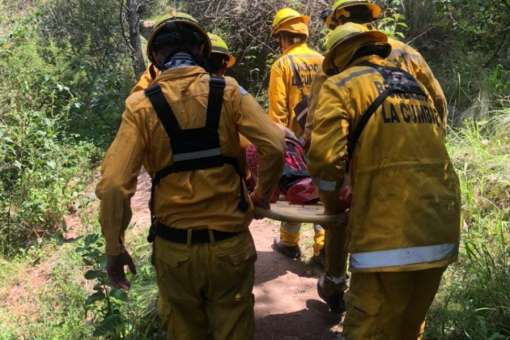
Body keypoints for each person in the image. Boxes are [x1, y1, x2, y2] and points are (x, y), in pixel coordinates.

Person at [96, 13, 284, 339]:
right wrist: (261, 196)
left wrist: (114, 248)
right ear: (201, 51)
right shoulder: (229, 91)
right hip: (230, 246)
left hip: (175, 250)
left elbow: (113, 186)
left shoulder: (140, 106)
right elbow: (275, 146)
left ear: (156, 57)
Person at [307, 23, 461, 339]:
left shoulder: (340, 85)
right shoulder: (413, 85)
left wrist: (332, 204)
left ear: (337, 59)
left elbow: (325, 162)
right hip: (440, 226)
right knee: (409, 327)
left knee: (368, 328)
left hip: (385, 235)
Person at [268, 7, 325, 261]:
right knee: (324, 194)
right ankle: (324, 249)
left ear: (282, 37)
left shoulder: (282, 65)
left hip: (296, 145)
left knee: (295, 191)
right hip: (326, 140)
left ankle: (290, 243)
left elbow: (277, 116)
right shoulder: (325, 61)